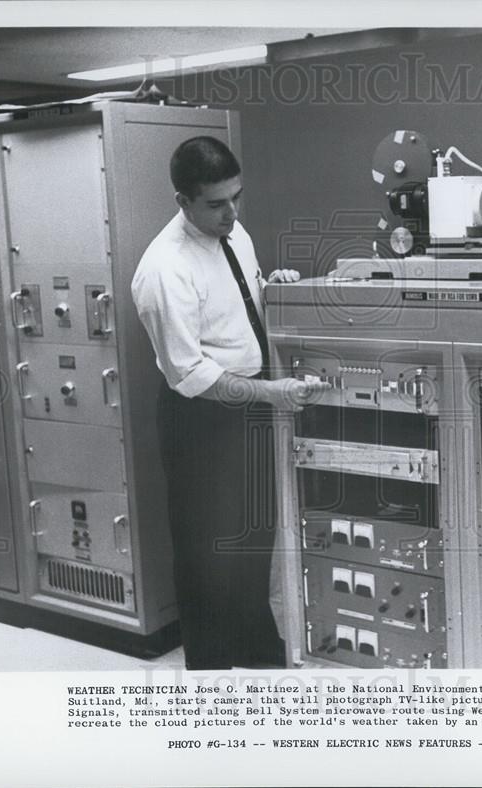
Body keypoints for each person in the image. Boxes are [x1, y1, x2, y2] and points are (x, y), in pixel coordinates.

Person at [131, 136, 328, 670]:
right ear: (183, 202)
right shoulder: (163, 270)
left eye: (235, 198)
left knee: (250, 538)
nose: (231, 212)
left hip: (251, 404)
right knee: (205, 553)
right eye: (216, 204)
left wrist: (274, 288)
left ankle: (257, 649)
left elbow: (236, 301)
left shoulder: (232, 231)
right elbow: (190, 372)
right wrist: (272, 392)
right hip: (202, 416)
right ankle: (212, 673)